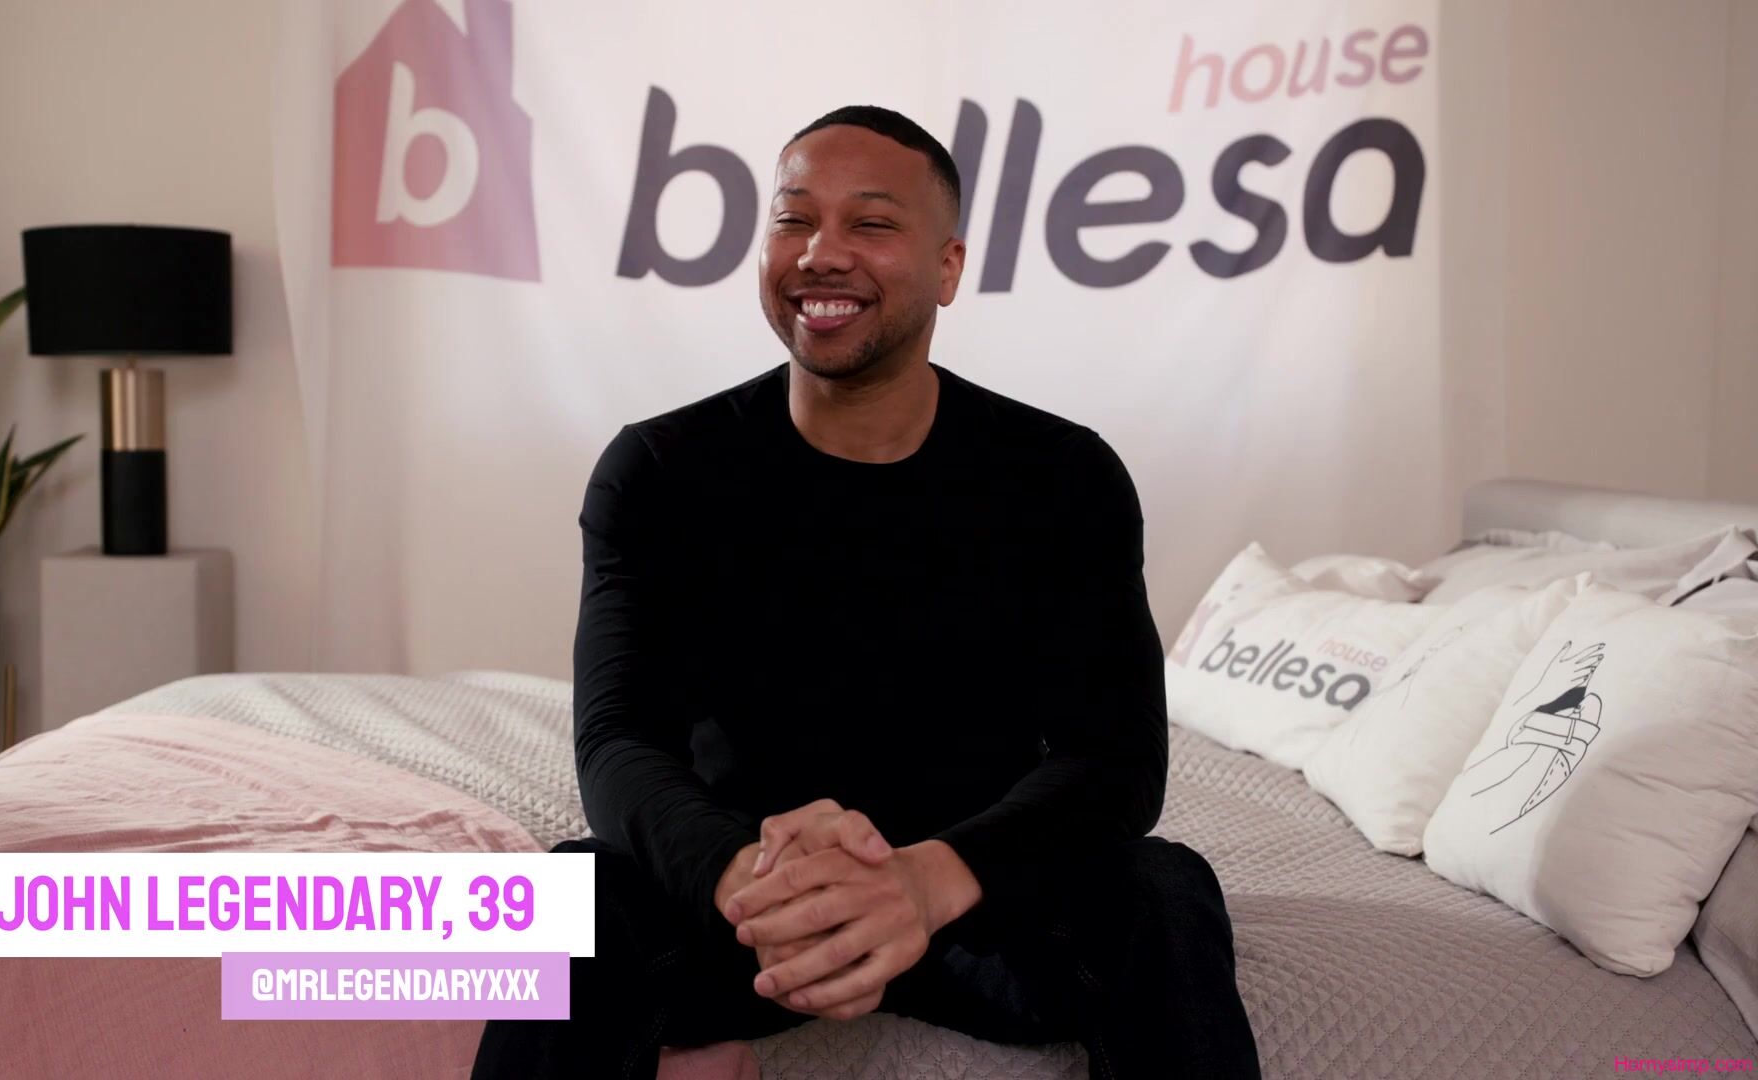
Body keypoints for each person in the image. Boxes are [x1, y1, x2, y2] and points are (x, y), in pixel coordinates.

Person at [471, 104, 1261, 1080]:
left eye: (873, 223)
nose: (822, 253)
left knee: (1162, 889)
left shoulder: (1064, 477)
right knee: (575, 895)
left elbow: (1116, 759)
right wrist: (743, 874)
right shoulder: (660, 469)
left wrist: (925, 882)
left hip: (974, 891)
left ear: (947, 268)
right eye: (795, 220)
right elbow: (617, 743)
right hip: (748, 899)